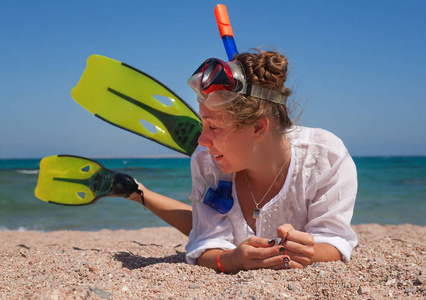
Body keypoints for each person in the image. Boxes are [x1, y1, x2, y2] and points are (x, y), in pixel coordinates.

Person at [129, 49, 358, 273]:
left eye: (214, 127)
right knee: (200, 227)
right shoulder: (207, 160)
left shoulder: (325, 157)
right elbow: (206, 242)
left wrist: (310, 252)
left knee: (197, 224)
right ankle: (137, 191)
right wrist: (232, 259)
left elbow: (335, 240)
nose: (202, 140)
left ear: (258, 126)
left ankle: (138, 191)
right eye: (203, 124)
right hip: (219, 224)